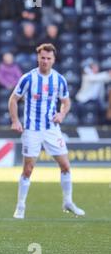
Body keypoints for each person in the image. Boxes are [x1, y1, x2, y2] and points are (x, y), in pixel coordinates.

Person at [8, 43, 85, 219]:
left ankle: (68, 201)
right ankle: (20, 206)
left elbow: (66, 101)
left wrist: (62, 114)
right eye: (42, 57)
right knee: (28, 169)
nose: (45, 61)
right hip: (32, 130)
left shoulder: (59, 79)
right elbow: (13, 99)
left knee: (65, 166)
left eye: (48, 58)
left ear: (53, 59)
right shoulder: (28, 78)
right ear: (38, 58)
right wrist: (15, 120)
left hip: (52, 129)